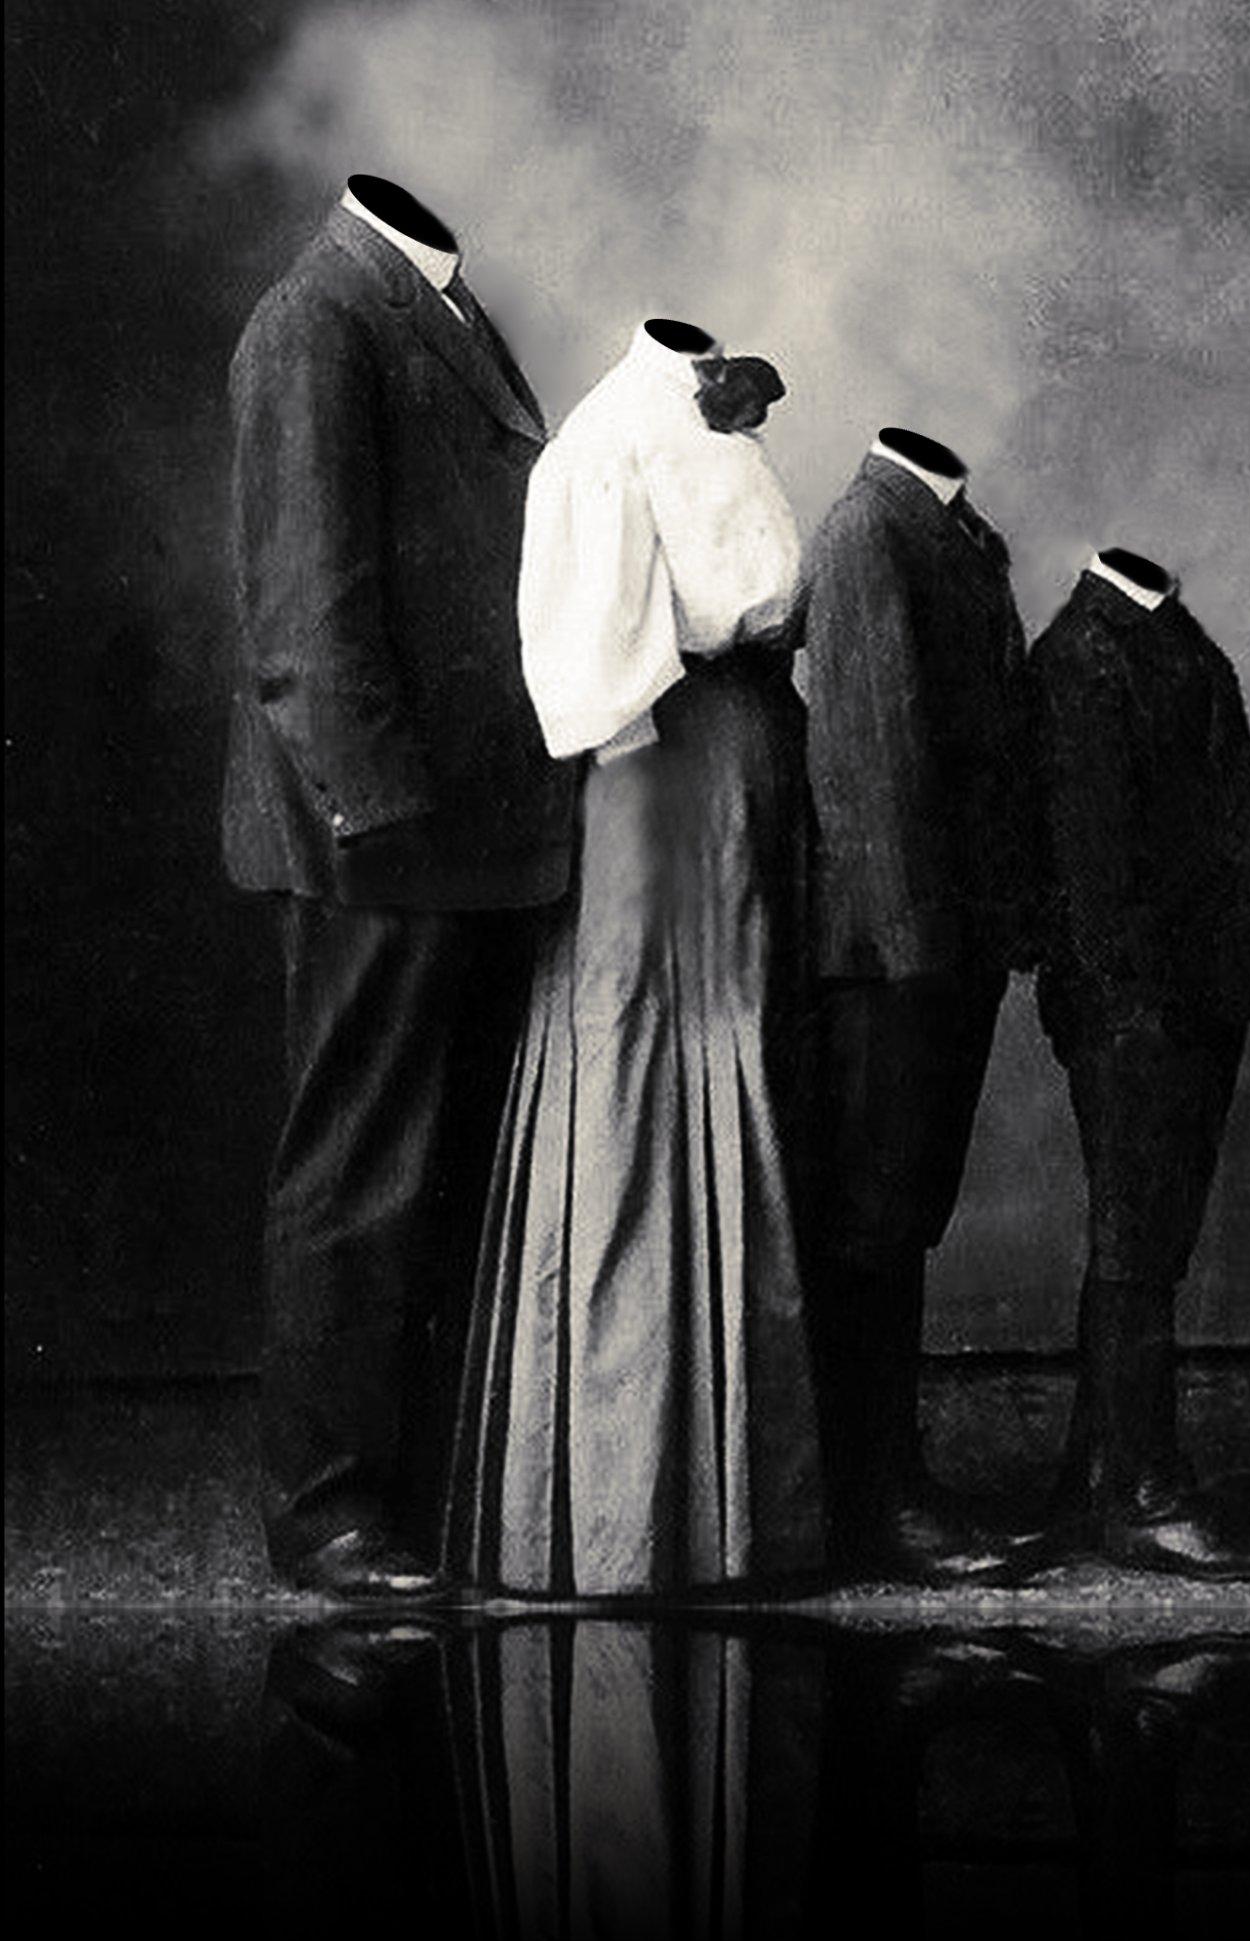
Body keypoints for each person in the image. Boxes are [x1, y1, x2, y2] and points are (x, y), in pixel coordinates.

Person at [224, 175, 575, 1598]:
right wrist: (375, 818)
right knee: (359, 1170)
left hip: (457, 834)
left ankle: (403, 1497)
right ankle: (326, 1515)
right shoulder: (318, 318)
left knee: (420, 1172)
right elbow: (305, 612)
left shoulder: (428, 305)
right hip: (378, 838)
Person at [443, 319, 821, 1598]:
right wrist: (649, 761)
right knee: (638, 1072)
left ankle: (739, 1500)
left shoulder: (712, 421)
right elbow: (588, 675)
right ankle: (618, 1509)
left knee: (735, 1051)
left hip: (737, 755)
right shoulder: (603, 442)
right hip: (655, 772)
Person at [797, 428, 1048, 1584]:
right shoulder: (870, 533)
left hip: (937, 944)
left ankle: (890, 1482)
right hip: (891, 952)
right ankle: (874, 1499)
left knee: (898, 1219)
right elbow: (868, 757)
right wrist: (914, 955)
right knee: (873, 1225)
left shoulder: (941, 530)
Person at [1034, 548, 1250, 1579]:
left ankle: (1097, 1469)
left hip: (1178, 1004)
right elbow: (1091, 871)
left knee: (1141, 1243)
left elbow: (1207, 814)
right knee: (1137, 1246)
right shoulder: (1087, 657)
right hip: (1136, 1012)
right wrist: (1135, 1009)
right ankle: (1141, 1491)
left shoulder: (1154, 637)